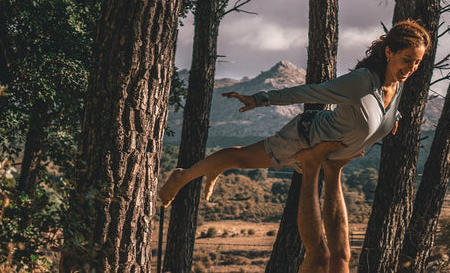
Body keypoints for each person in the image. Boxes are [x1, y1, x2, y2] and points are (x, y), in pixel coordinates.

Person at [158, 20, 429, 273]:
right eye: (407, 60)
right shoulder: (361, 81)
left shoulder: (396, 84)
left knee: (339, 257)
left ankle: (211, 169)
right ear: (389, 51)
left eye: (417, 62)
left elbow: (381, 109)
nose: (411, 68)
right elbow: (310, 92)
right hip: (306, 137)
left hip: (331, 154)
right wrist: (260, 98)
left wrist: (394, 119)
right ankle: (184, 176)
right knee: (241, 158)